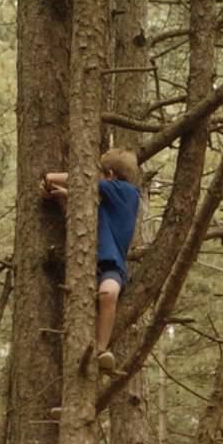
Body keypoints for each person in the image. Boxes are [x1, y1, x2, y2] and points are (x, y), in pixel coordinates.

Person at [40, 147, 140, 374]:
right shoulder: (112, 196)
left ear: (110, 175)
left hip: (111, 264)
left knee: (109, 292)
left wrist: (49, 178)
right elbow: (91, 202)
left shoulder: (127, 192)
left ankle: (101, 349)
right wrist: (63, 194)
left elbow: (83, 184)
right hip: (90, 265)